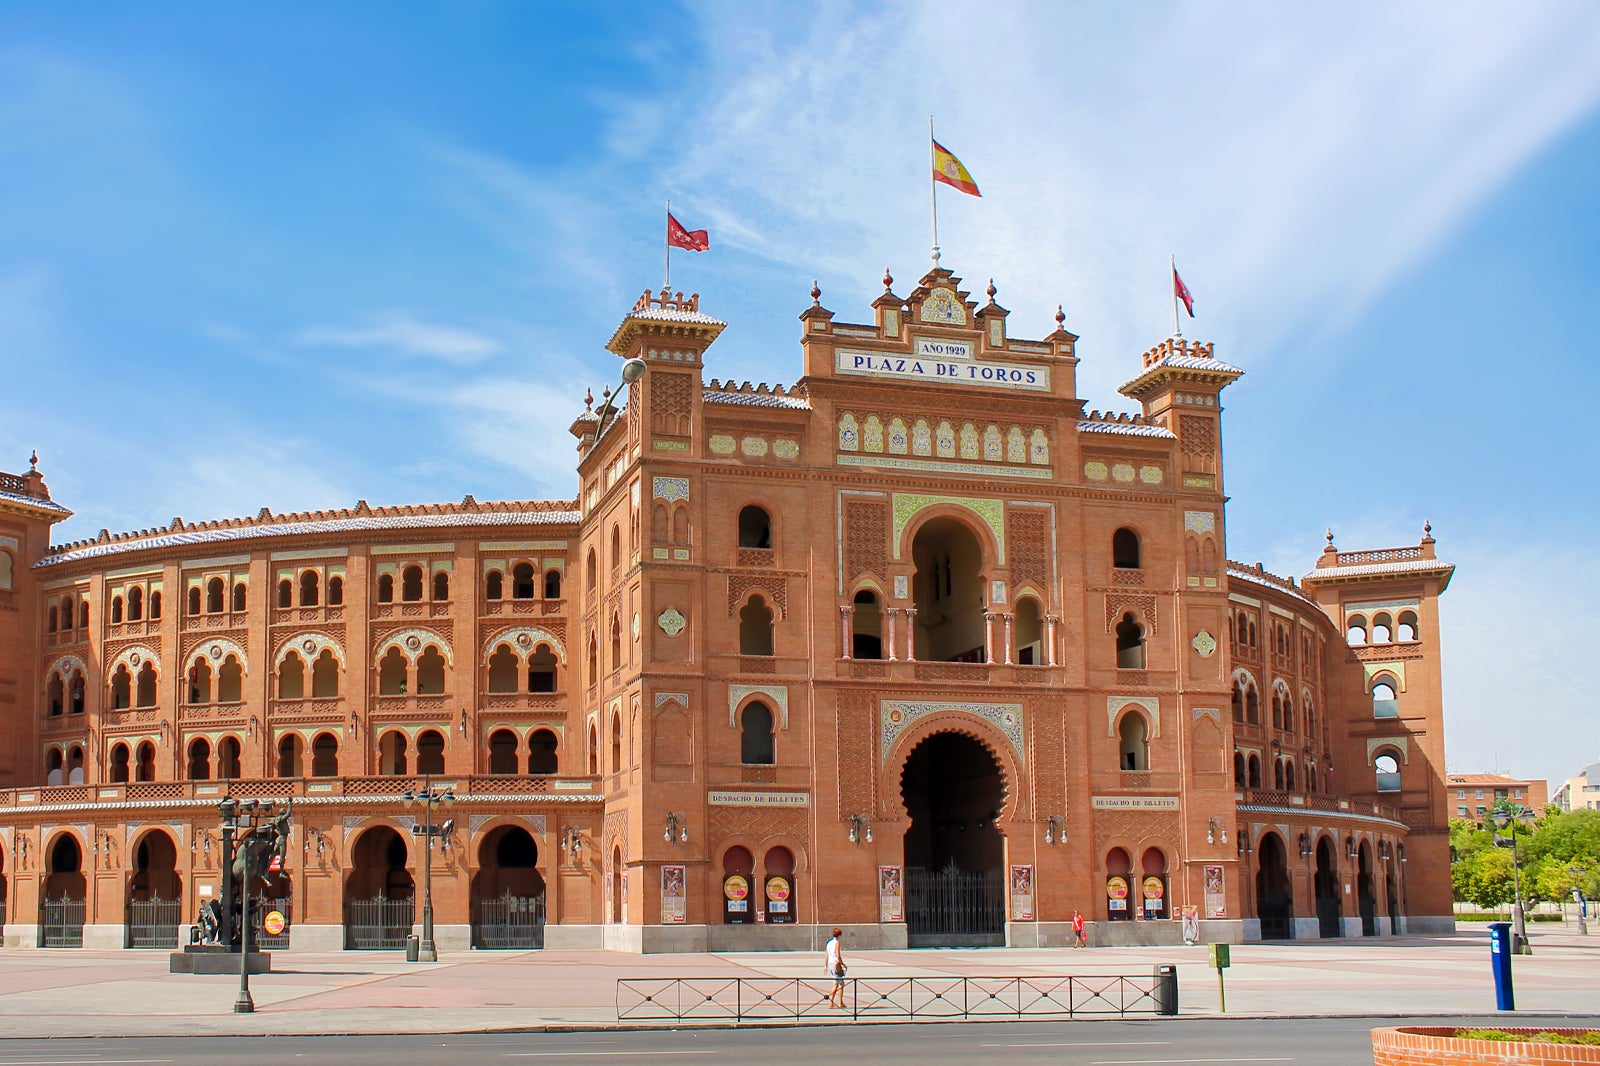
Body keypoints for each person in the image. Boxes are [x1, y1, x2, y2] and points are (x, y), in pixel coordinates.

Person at [824, 927, 846, 1008]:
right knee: (836, 985)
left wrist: (825, 965)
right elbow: (838, 955)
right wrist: (843, 964)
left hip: (830, 964)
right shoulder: (837, 943)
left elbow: (826, 954)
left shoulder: (829, 943)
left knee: (841, 983)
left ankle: (840, 1002)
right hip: (836, 964)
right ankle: (831, 1002)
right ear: (839, 935)